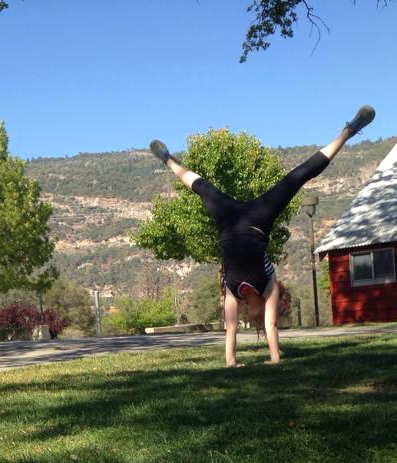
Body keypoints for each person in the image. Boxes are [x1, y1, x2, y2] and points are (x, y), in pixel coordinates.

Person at [150, 106, 375, 367]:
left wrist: (231, 363)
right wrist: (275, 358)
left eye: (253, 315)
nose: (255, 314)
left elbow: (230, 330)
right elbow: (271, 325)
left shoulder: (233, 293)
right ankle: (349, 131)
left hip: (230, 220)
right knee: (297, 177)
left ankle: (167, 159)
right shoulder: (270, 286)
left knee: (203, 189)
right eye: (260, 315)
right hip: (259, 219)